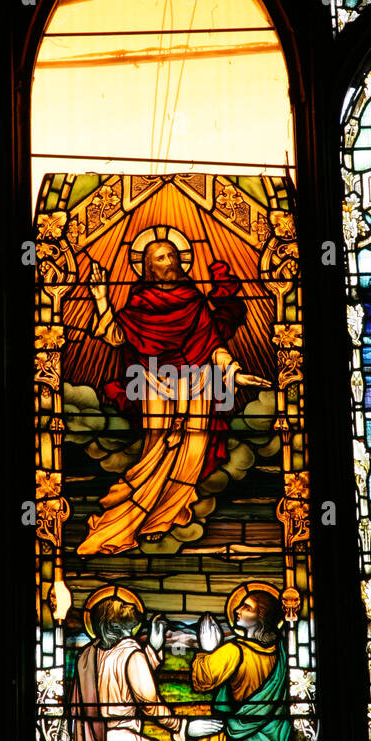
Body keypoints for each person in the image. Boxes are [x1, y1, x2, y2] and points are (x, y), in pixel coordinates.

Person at [77, 237, 268, 555]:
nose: (170, 262)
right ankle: (132, 518)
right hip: (154, 380)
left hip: (199, 383)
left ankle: (164, 517)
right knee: (157, 451)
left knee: (192, 453)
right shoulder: (141, 301)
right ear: (148, 267)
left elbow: (212, 345)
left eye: (173, 256)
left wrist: (234, 371)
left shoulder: (194, 300)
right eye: (161, 258)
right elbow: (116, 336)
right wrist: (100, 299)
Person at [69, 588, 221, 741]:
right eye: (122, 607)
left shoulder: (90, 654)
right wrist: (183, 727)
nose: (130, 606)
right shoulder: (132, 653)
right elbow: (150, 704)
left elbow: (122, 677)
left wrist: (152, 648)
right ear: (114, 622)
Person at [191, 584, 290, 741]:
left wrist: (207, 650)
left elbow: (202, 681)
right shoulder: (282, 653)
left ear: (262, 617)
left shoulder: (234, 651)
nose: (237, 610)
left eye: (247, 607)